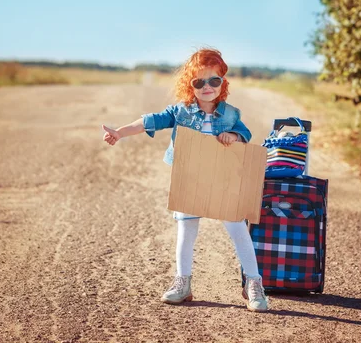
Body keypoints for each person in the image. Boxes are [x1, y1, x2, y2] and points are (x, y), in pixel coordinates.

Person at [102, 48, 268, 312]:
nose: (207, 87)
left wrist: (235, 136)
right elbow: (149, 121)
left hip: (223, 180)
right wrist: (120, 132)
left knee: (238, 229)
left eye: (213, 80)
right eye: (199, 82)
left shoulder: (230, 114)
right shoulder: (180, 112)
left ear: (222, 82)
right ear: (190, 84)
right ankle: (183, 283)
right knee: (186, 231)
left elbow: (245, 133)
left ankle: (254, 284)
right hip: (189, 178)